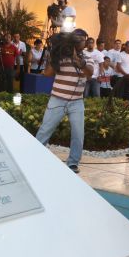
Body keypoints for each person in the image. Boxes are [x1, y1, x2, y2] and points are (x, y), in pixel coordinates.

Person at [35, 29, 94, 173]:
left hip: (77, 102)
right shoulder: (61, 56)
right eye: (78, 38)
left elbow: (90, 73)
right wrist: (55, 56)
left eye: (83, 39)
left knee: (78, 134)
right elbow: (47, 73)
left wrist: (79, 62)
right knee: (45, 130)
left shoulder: (88, 58)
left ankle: (73, 163)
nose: (81, 41)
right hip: (57, 99)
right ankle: (34, 157)